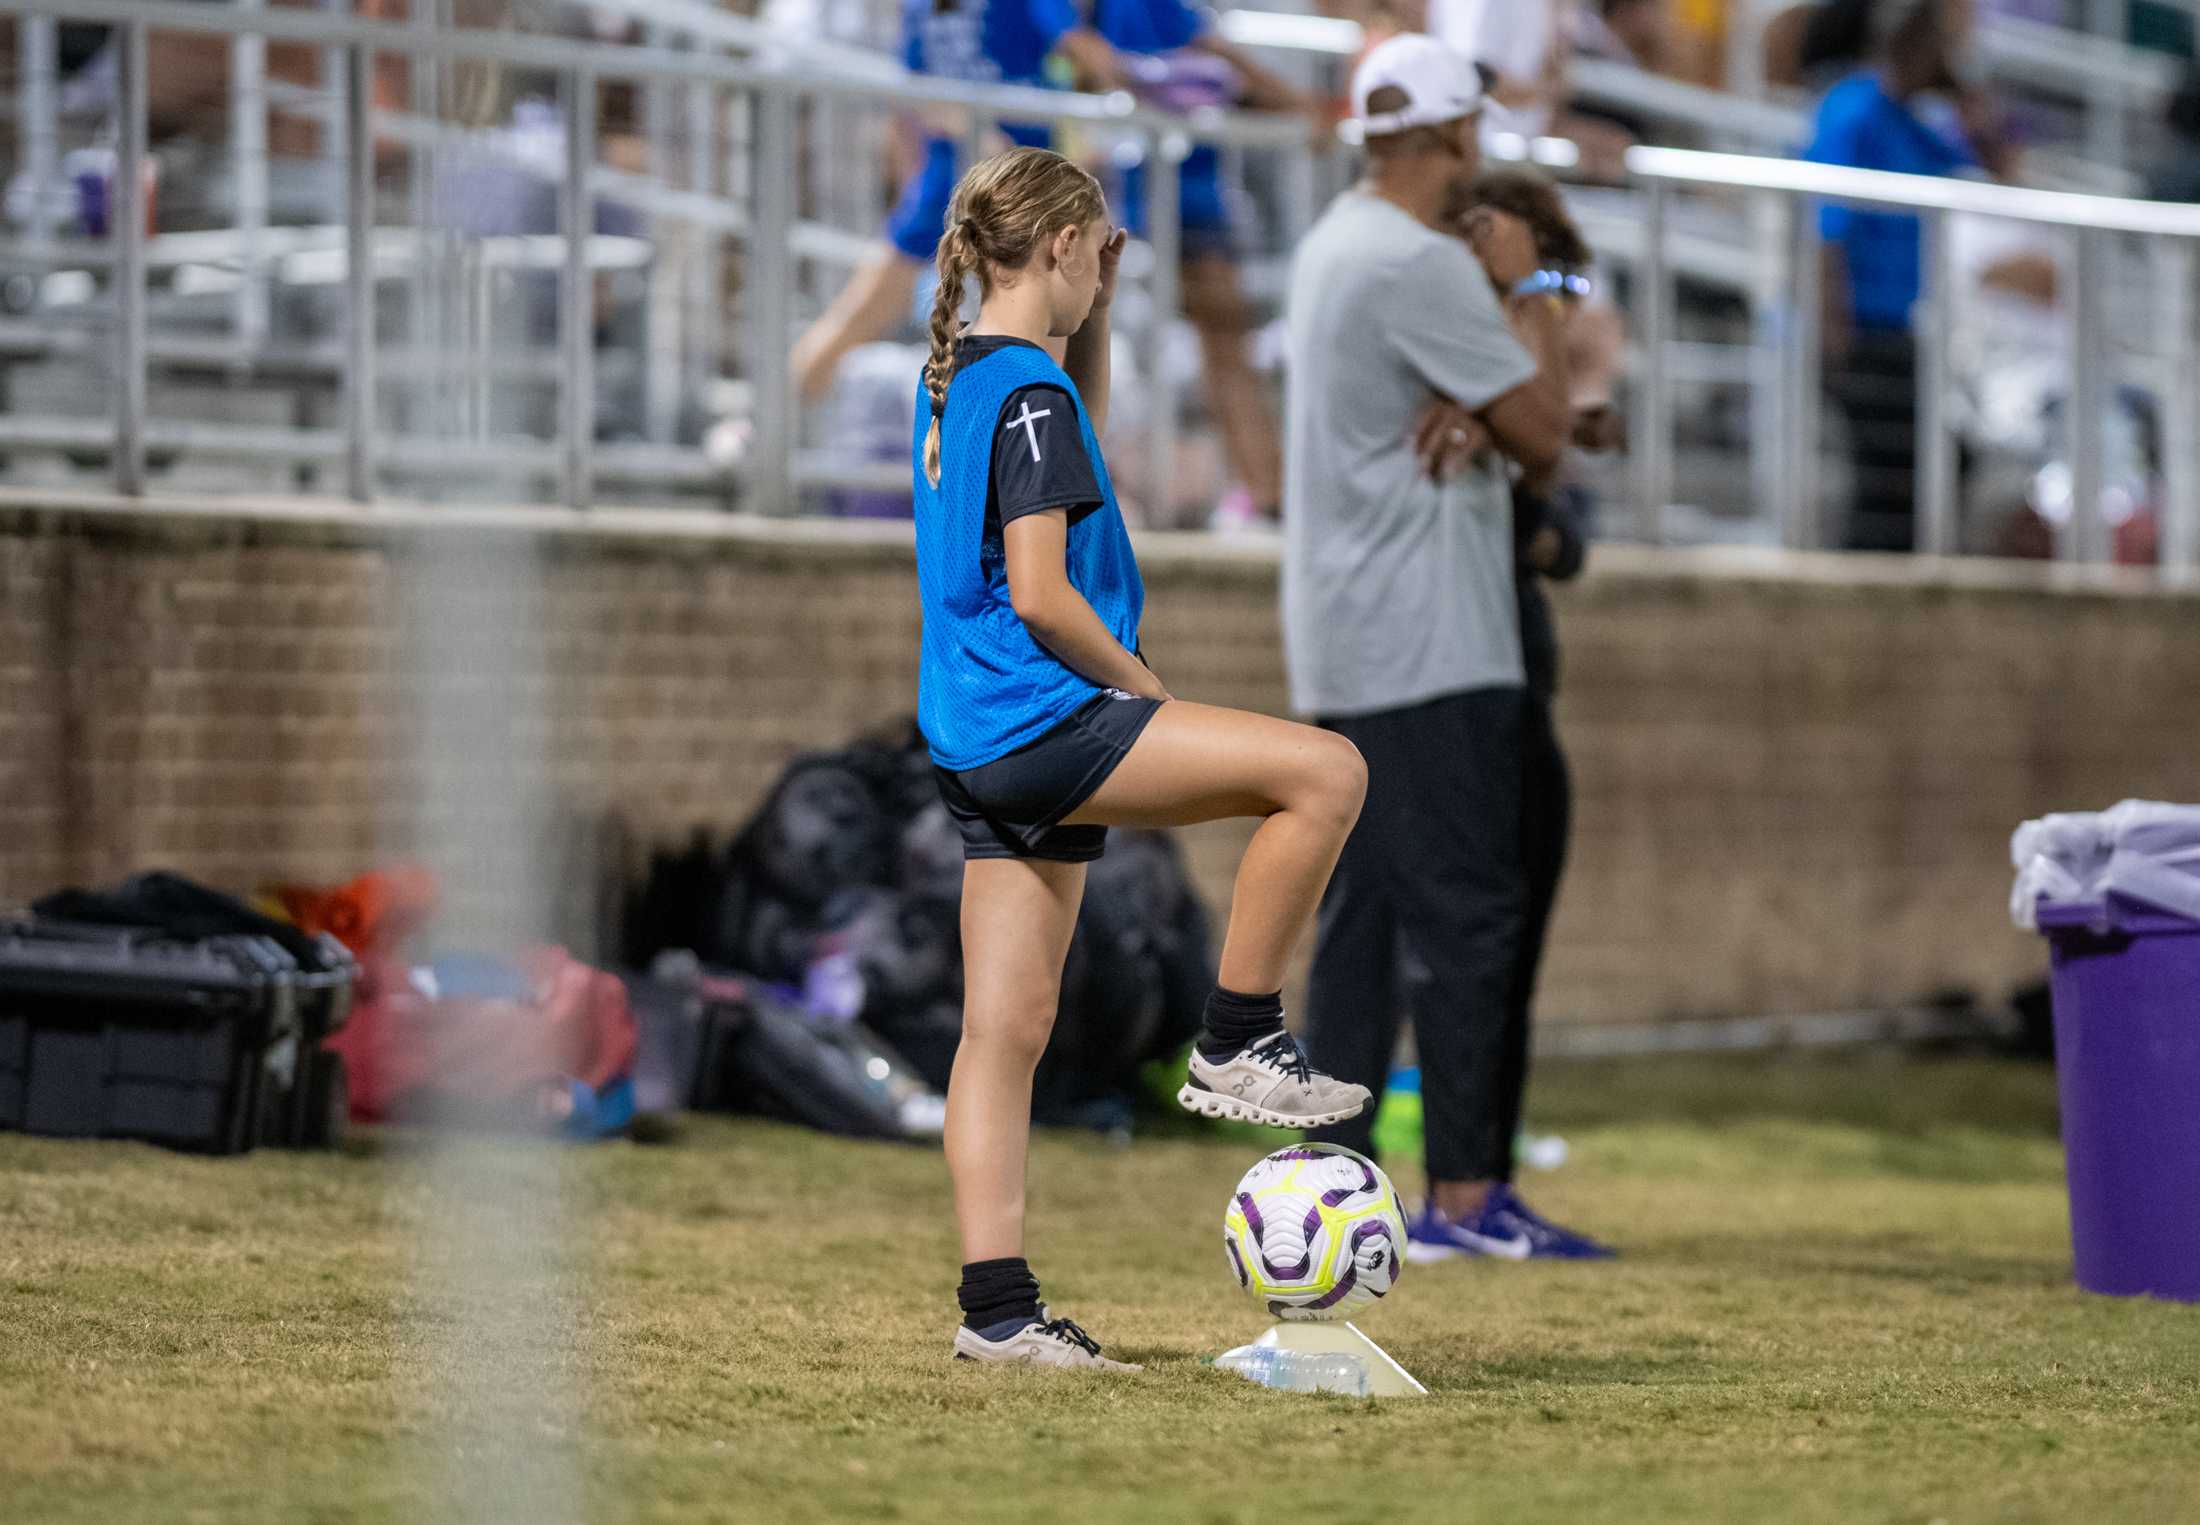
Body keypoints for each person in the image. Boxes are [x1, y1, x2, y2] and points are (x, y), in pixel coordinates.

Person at [915, 147, 1371, 1370]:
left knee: (1002, 1030)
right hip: (1044, 716)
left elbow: (1073, 435)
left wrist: (1095, 316)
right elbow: (1044, 591)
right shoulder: (1027, 396)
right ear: (1063, 246)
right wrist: (1144, 690)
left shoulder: (970, 377)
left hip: (972, 738)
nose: (1105, 266)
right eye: (1099, 247)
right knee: (1324, 773)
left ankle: (998, 1314)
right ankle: (1238, 1034)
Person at [1282, 35, 1612, 1262]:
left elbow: (1509, 419)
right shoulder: (1419, 263)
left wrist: (1481, 395)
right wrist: (1522, 292)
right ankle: (1468, 1203)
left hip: (1349, 637)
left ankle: (1328, 1187)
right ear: (1462, 135)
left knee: (1364, 921)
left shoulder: (1334, 245)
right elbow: (1543, 436)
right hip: (1432, 640)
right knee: (1471, 917)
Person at [789, 0, 1136, 405]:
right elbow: (1082, 51)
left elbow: (916, 92)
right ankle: (1039, 450)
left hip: (952, 178)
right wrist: (1151, 81)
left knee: (858, 317)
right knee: (1045, 337)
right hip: (1019, 181)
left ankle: (766, 427)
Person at [1091, 0, 1311, 526]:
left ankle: (1264, 493)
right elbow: (1230, 69)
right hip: (1165, 196)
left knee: (1219, 349)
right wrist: (1305, 108)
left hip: (1178, 193)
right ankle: (1266, 493)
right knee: (1221, 349)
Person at [1803, 0, 2013, 551]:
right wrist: (1832, 330)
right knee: (1888, 479)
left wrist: (1968, 97)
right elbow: (1827, 229)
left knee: (1931, 467)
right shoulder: (1851, 110)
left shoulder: (1912, 120)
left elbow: (1998, 168)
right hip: (1857, 328)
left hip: (1902, 328)